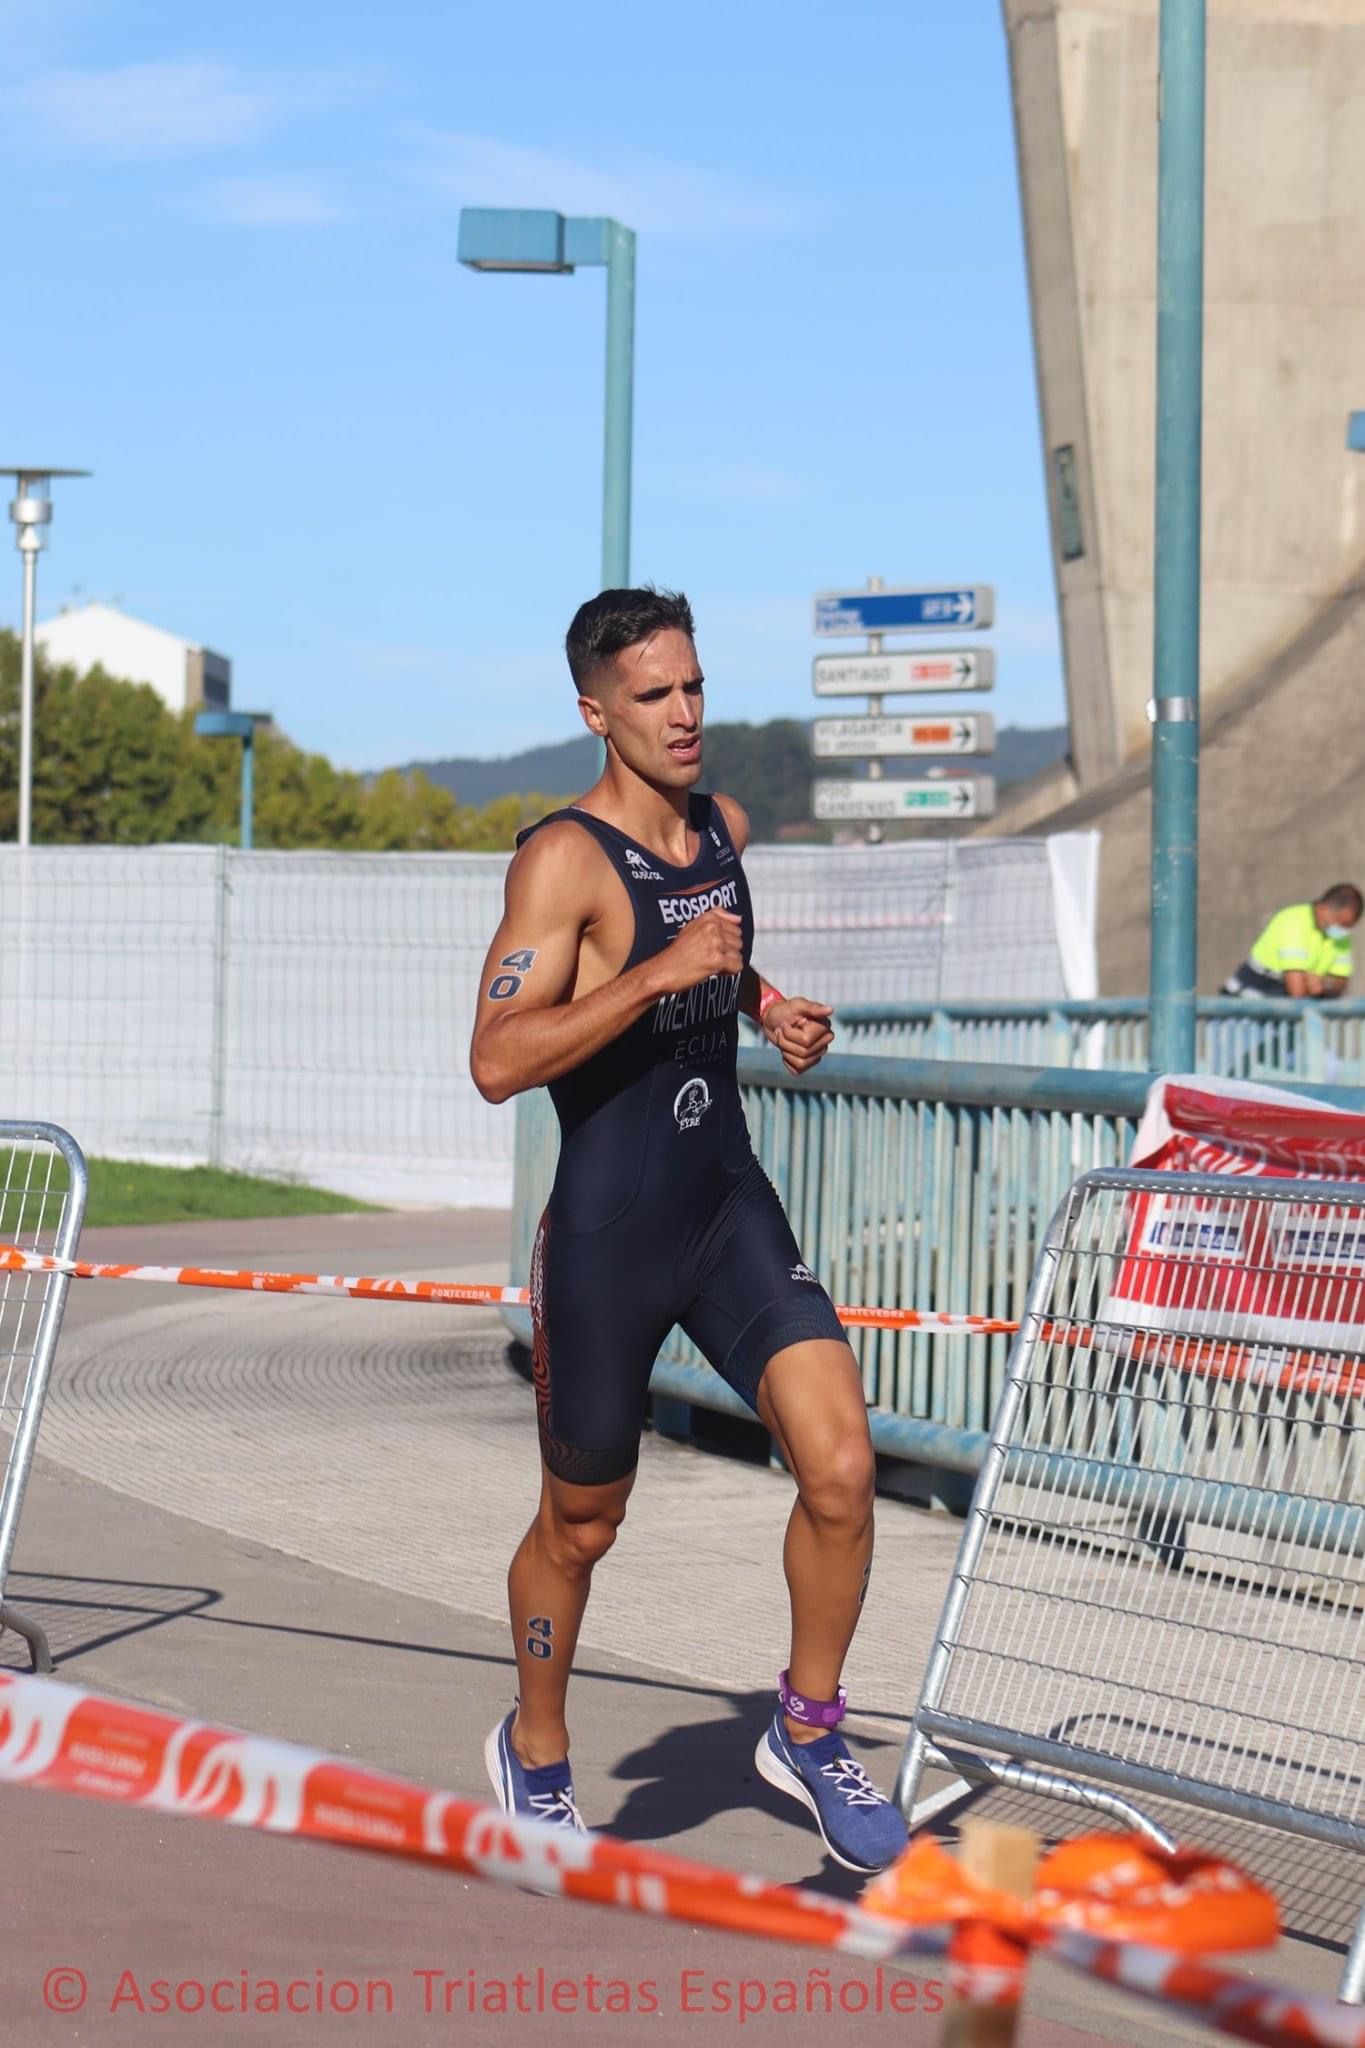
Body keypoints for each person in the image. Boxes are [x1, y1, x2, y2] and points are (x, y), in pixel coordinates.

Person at [469, 586, 908, 1875]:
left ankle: (808, 1725)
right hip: (609, 1229)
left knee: (841, 1466)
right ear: (596, 711)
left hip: (727, 1202)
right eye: (655, 695)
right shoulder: (562, 858)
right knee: (581, 1524)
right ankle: (536, 1751)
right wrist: (658, 974)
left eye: (696, 686)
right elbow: (496, 1058)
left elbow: (710, 944)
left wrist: (767, 1005)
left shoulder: (722, 826)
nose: (686, 714)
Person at [1223, 885, 1362, 1000]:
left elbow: (1341, 982)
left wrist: (1324, 984)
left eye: (1347, 927)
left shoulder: (1341, 938)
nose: (1343, 931)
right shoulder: (1294, 921)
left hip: (1280, 1008)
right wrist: (1316, 985)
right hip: (1245, 1002)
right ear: (1323, 909)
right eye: (1340, 923)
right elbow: (1297, 992)